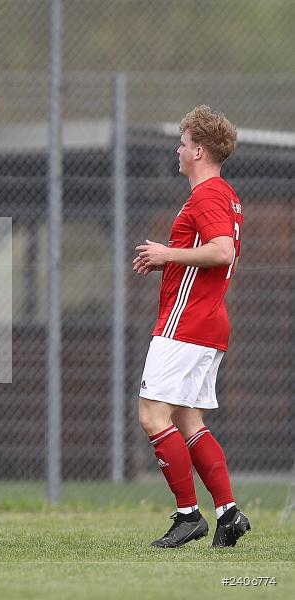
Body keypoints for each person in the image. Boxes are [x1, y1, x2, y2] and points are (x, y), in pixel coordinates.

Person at [133, 105, 249, 548]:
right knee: (187, 418)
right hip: (207, 321)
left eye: (183, 144)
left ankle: (188, 516)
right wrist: (168, 258)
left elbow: (222, 252)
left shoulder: (208, 195)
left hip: (188, 322)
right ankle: (228, 512)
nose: (178, 150)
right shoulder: (223, 195)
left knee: (152, 414)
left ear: (198, 150)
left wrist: (167, 255)